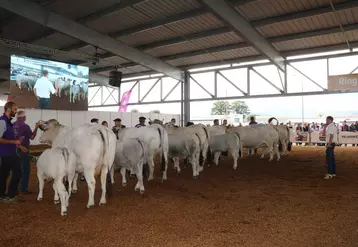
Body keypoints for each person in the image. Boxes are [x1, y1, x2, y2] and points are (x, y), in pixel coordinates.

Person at [0, 102, 28, 203]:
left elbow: (9, 138)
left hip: (7, 153)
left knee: (3, 175)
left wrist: (20, 146)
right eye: (15, 109)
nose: (16, 112)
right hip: (8, 153)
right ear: (8, 109)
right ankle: (10, 196)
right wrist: (15, 142)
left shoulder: (8, 123)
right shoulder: (2, 121)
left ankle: (2, 196)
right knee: (17, 172)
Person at [12, 110, 40, 194]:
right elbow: (32, 137)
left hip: (13, 149)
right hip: (23, 148)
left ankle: (14, 187)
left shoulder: (12, 125)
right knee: (25, 169)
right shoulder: (25, 126)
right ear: (23, 117)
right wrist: (36, 127)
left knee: (15, 169)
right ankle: (23, 188)